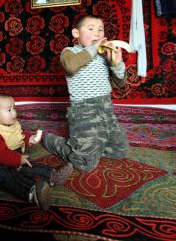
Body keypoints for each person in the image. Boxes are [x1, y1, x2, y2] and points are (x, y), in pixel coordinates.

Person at [42, 15, 129, 172]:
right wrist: (93, 48)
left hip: (106, 108)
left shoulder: (103, 57)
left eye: (100, 30)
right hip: (84, 111)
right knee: (85, 165)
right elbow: (70, 66)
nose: (97, 33)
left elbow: (118, 83)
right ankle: (51, 141)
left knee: (120, 150)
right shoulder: (69, 52)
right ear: (76, 33)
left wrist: (116, 63)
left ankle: (94, 146)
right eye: (91, 29)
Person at [0, 93, 73, 210]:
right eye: (9, 110)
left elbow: (18, 135)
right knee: (9, 178)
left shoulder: (11, 124)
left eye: (14, 108)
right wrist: (18, 159)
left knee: (28, 165)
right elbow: (1, 155)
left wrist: (29, 138)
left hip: (13, 156)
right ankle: (34, 193)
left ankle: (53, 175)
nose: (14, 112)